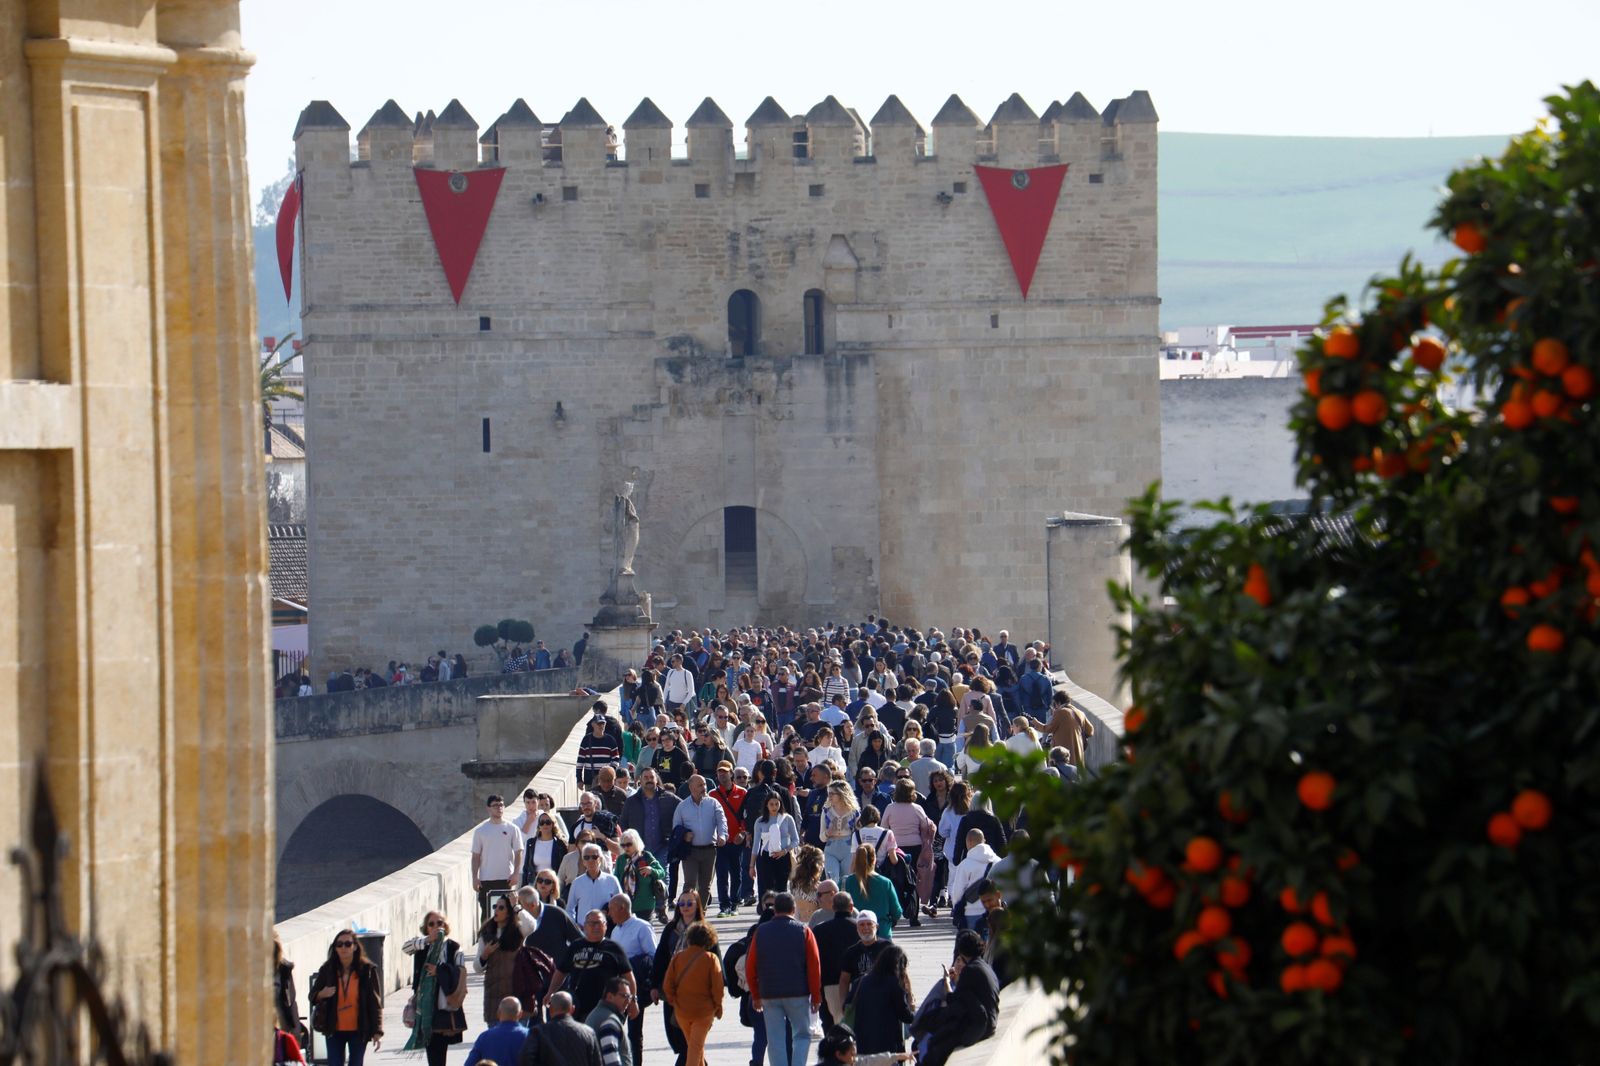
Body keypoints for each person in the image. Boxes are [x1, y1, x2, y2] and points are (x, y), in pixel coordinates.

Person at [745, 892, 822, 1066]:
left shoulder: (761, 931)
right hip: (798, 993)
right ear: (794, 909)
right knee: (802, 1035)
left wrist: (756, 995)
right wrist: (816, 996)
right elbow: (814, 966)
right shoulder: (804, 931)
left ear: (774, 910)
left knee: (775, 1039)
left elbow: (750, 966)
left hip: (769, 994)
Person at [919, 931, 999, 1066]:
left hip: (979, 1027)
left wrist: (947, 984)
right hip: (988, 1023)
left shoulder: (970, 970)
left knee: (936, 1041)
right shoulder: (984, 966)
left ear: (961, 951)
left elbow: (956, 1001)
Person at [403, 911, 468, 1066]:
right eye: (431, 924)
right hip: (425, 1005)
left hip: (444, 1003)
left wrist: (439, 971)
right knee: (432, 1049)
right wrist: (428, 939)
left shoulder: (453, 947)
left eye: (440, 923)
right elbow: (405, 948)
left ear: (445, 926)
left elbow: (461, 972)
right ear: (426, 928)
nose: (436, 927)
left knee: (439, 1048)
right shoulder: (422, 945)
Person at [310, 929, 383, 1066]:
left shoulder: (366, 970)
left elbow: (375, 1003)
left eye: (348, 944)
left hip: (359, 1030)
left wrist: (377, 1031)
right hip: (334, 1029)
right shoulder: (327, 969)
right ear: (335, 948)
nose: (343, 948)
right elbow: (312, 995)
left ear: (355, 947)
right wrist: (322, 993)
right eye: (339, 944)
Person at [650, 889, 706, 1066]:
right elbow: (660, 958)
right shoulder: (671, 929)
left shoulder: (703, 930)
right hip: (673, 990)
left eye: (689, 903)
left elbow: (715, 961)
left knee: (690, 1042)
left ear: (697, 905)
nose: (685, 907)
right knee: (677, 1038)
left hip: (696, 994)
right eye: (682, 903)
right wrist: (654, 985)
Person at [550, 909, 636, 1021]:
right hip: (579, 1007)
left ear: (605, 926)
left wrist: (633, 1000)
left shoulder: (614, 948)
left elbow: (629, 977)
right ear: (585, 926)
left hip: (606, 1007)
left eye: (599, 923)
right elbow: (561, 972)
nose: (596, 927)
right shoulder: (575, 946)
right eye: (592, 923)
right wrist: (550, 992)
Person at [663, 922, 724, 1066]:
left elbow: (667, 985)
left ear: (689, 938)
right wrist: (718, 1006)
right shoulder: (711, 958)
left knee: (694, 1045)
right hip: (703, 1012)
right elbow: (718, 987)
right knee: (695, 1048)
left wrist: (674, 1001)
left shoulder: (678, 958)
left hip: (682, 1012)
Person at [671, 774, 729, 906]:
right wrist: (684, 835)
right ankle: (687, 912)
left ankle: (701, 913)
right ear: (691, 788)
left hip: (710, 851)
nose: (704, 788)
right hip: (690, 852)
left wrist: (722, 835)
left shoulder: (713, 803)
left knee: (705, 886)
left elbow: (722, 821)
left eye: (704, 784)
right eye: (700, 785)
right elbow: (676, 828)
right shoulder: (682, 806)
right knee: (689, 884)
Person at [850, 944, 914, 1057]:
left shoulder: (860, 981)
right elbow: (905, 1016)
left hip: (863, 1041)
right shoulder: (895, 983)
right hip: (888, 1042)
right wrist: (912, 1008)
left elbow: (846, 1005)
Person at [473, 795, 526, 924]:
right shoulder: (481, 831)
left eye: (501, 805)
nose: (499, 808)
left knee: (507, 912)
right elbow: (476, 856)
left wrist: (516, 873)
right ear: (488, 808)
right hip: (486, 879)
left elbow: (518, 852)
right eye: (495, 805)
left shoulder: (512, 828)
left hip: (506, 878)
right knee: (487, 913)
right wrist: (475, 877)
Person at [812, 890, 858, 1027]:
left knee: (832, 1026)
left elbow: (815, 960)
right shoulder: (860, 928)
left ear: (833, 907)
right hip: (856, 982)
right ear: (851, 907)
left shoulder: (819, 930)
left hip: (829, 983)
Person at [709, 761, 749, 917]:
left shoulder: (743, 792)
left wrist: (743, 832)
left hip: (737, 840)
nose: (722, 774)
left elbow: (747, 816)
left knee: (736, 873)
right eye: (720, 772)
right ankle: (724, 905)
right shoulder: (712, 794)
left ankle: (735, 903)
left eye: (725, 771)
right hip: (720, 841)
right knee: (722, 874)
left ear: (731, 773)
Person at [520, 990, 601, 1066]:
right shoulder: (588, 1033)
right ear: (572, 1009)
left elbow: (526, 1060)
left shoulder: (538, 1032)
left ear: (550, 1009)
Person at [477, 895, 525, 1024]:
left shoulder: (518, 931)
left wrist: (516, 907)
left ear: (509, 913)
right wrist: (485, 954)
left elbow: (531, 925)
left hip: (517, 992)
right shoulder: (486, 933)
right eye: (495, 906)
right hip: (494, 995)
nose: (496, 910)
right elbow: (477, 968)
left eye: (501, 907)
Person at [837, 911, 891, 1018]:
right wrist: (843, 1003)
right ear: (857, 928)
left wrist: (908, 996)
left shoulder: (887, 948)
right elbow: (844, 980)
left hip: (885, 1000)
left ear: (876, 926)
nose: (865, 928)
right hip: (860, 1002)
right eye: (861, 924)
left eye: (869, 924)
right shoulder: (851, 952)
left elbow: (901, 973)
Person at [748, 791, 800, 899]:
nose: (774, 807)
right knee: (768, 889)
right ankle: (769, 908)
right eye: (771, 804)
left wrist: (785, 851)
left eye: (777, 804)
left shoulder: (787, 818)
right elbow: (756, 845)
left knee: (782, 888)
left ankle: (782, 908)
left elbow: (796, 840)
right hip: (767, 857)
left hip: (783, 856)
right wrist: (752, 866)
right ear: (766, 805)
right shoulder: (760, 821)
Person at [947, 830, 1002, 931]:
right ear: (984, 840)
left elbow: (958, 892)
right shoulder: (998, 862)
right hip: (994, 912)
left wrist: (957, 909)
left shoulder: (964, 865)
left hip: (971, 913)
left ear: (969, 842)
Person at [843, 846, 902, 937]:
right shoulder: (885, 883)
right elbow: (897, 912)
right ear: (874, 859)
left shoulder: (848, 882)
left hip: (856, 933)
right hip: (882, 932)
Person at [616, 829, 669, 920]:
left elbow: (661, 872)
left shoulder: (646, 856)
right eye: (623, 845)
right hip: (626, 906)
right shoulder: (621, 859)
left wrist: (651, 870)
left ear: (636, 843)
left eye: (629, 844)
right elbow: (616, 879)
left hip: (645, 905)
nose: (626, 848)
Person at [569, 844, 625, 924]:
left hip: (606, 927)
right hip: (583, 929)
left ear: (600, 859)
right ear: (583, 861)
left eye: (594, 857)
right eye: (586, 857)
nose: (590, 860)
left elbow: (621, 903)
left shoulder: (612, 880)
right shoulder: (577, 882)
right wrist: (575, 926)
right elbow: (569, 909)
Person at [466, 996, 529, 1066]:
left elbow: (469, 1064)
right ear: (520, 1014)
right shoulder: (529, 1036)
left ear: (498, 1013)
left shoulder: (484, 1037)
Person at [587, 976, 635, 1066]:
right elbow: (611, 1060)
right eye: (624, 996)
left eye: (629, 997)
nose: (628, 1001)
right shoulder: (609, 1021)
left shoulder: (598, 1014)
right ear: (610, 997)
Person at [815, 1023, 913, 1065]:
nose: (855, 1056)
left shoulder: (847, 1061)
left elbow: (868, 1061)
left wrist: (897, 1056)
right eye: (851, 1054)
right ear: (838, 1054)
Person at [820, 782, 859, 884]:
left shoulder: (854, 812)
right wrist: (827, 833)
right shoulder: (826, 811)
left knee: (847, 881)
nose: (829, 796)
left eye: (832, 793)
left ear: (842, 794)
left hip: (849, 849)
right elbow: (821, 838)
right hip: (831, 849)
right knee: (832, 880)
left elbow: (859, 834)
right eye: (828, 793)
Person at [522, 806, 570, 886]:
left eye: (548, 822)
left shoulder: (560, 844)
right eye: (542, 822)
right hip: (534, 883)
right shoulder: (531, 843)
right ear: (539, 826)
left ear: (553, 825)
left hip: (553, 883)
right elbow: (526, 868)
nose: (545, 825)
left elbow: (563, 869)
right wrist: (524, 886)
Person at [788, 846, 826, 921]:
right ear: (817, 865)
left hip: (797, 924)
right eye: (822, 863)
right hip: (814, 925)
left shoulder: (793, 884)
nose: (823, 867)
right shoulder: (819, 887)